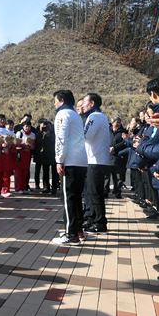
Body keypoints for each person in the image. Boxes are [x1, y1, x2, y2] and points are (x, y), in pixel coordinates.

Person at [51, 90, 87, 246]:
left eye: (55, 100)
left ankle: (71, 234)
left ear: (61, 100)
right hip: (80, 161)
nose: (54, 104)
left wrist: (59, 160)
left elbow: (61, 138)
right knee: (76, 197)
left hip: (70, 161)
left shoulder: (63, 114)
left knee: (69, 199)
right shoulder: (75, 115)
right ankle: (78, 230)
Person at [81, 92, 113, 234]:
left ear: (92, 103)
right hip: (97, 160)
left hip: (96, 160)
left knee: (95, 193)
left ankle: (100, 223)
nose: (83, 105)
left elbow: (85, 136)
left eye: (85, 102)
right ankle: (94, 219)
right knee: (92, 192)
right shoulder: (100, 116)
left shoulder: (94, 117)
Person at [14, 120, 35, 193]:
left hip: (27, 154)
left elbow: (33, 146)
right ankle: (18, 188)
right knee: (18, 172)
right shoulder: (19, 133)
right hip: (19, 154)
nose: (27, 128)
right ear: (23, 126)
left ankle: (23, 188)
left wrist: (30, 146)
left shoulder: (32, 134)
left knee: (25, 171)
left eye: (28, 126)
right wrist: (23, 145)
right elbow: (15, 144)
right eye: (26, 126)